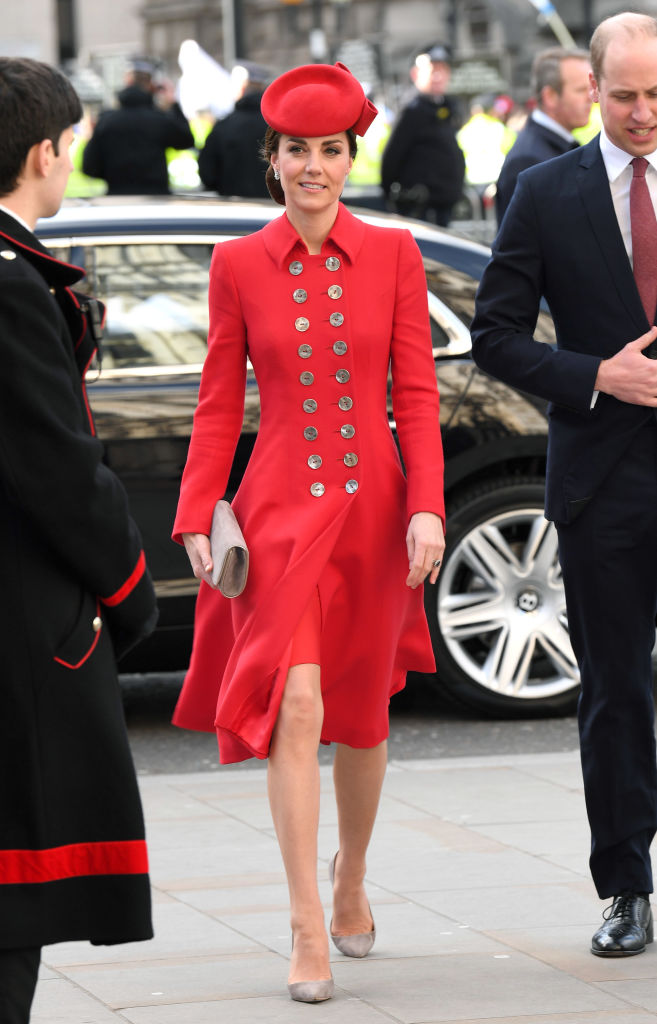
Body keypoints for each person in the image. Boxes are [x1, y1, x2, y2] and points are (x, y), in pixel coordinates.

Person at [172, 62, 445, 1002]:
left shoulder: (397, 257)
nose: (314, 167)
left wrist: (427, 506)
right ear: (273, 160)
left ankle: (352, 878)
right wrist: (195, 514)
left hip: (374, 511)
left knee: (363, 716)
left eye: (330, 150)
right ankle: (302, 927)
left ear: (348, 157)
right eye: (297, 151)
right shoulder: (237, 264)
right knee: (295, 705)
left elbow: (415, 395)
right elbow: (216, 406)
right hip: (280, 513)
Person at [471, 11, 657, 957]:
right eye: (622, 95)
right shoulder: (545, 191)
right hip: (602, 485)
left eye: (656, 96)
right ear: (589, 89)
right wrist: (595, 373)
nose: (640, 112)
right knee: (615, 692)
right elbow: (493, 334)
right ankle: (625, 885)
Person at [0, 57, 159, 1022]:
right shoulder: (12, 285)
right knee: (13, 900)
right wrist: (130, 592)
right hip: (18, 621)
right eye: (72, 147)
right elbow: (57, 472)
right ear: (42, 150)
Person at [495, 46, 592, 222]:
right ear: (550, 96)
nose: (591, 98)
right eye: (580, 90)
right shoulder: (528, 159)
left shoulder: (556, 146)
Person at [82, 57, 194, 194]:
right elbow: (187, 140)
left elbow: (89, 166)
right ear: (151, 86)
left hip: (118, 199)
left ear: (127, 81)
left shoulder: (106, 121)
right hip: (155, 199)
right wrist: (173, 104)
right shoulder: (159, 120)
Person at [381, 43, 465, 226]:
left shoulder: (446, 106)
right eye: (432, 70)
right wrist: (390, 199)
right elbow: (391, 156)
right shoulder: (413, 109)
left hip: (443, 207)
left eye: (443, 70)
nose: (438, 76)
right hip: (422, 210)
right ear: (415, 74)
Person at [198, 60, 270, 198]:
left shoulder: (224, 126)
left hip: (234, 209)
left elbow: (207, 173)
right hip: (273, 207)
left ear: (242, 88)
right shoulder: (278, 128)